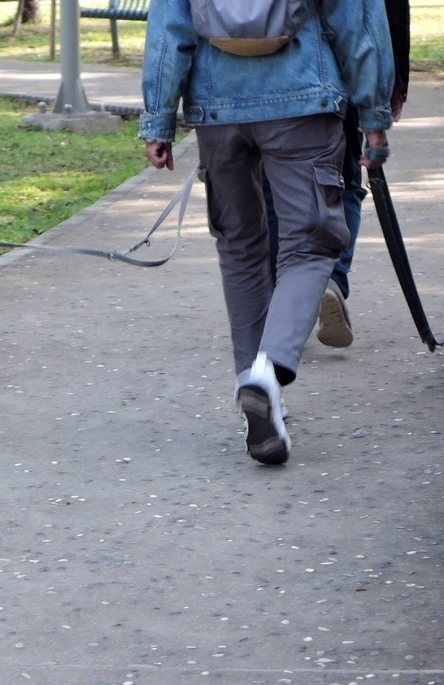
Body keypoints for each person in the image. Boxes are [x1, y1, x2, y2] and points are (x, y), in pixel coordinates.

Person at [139, 0, 395, 465]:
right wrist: (374, 118)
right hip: (303, 99)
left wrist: (157, 119)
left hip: (217, 109)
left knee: (239, 247)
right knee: (310, 245)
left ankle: (252, 387)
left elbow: (168, 27)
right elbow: (359, 24)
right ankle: (267, 372)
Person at [267, 0, 411, 349]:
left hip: (245, 73)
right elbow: (383, 11)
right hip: (334, 70)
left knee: (270, 188)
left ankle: (280, 298)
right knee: (343, 180)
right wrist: (391, 87)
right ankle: (330, 280)